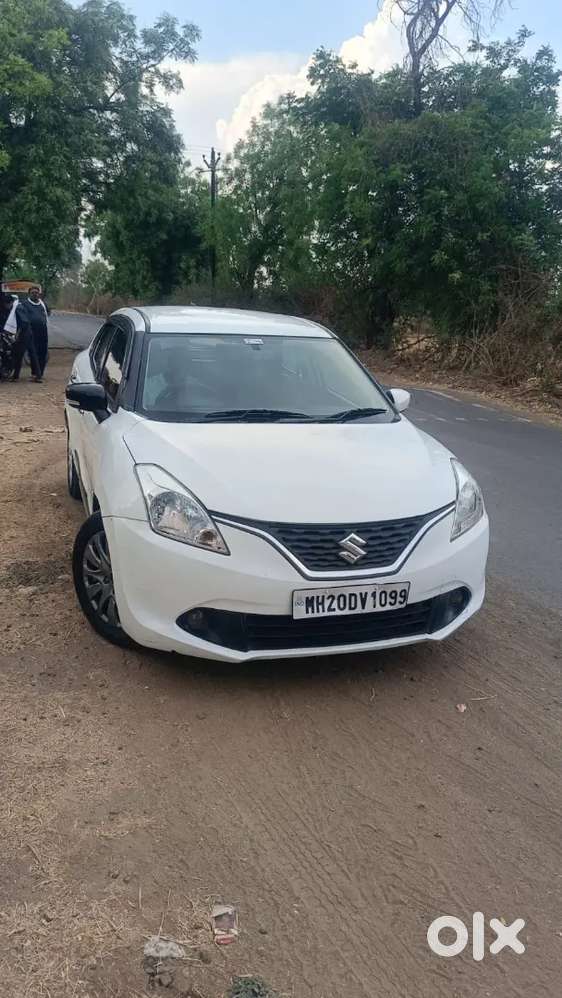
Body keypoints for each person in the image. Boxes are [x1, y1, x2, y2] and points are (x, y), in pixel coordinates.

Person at [10, 295, 43, 382]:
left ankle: (15, 376)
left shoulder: (18, 308)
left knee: (20, 354)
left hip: (24, 333)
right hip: (28, 332)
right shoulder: (20, 306)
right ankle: (38, 375)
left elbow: (24, 322)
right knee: (32, 354)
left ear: (11, 302)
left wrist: (17, 334)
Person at [19, 285, 50, 379]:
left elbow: (48, 312)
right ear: (29, 294)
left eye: (37, 293)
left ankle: (41, 372)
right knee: (33, 352)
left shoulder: (42, 303)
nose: (35, 294)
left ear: (39, 294)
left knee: (43, 351)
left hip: (43, 331)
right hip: (31, 331)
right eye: (33, 293)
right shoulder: (25, 304)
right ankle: (34, 373)